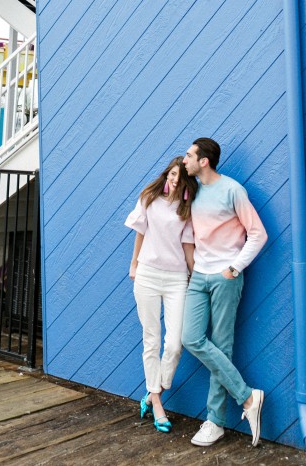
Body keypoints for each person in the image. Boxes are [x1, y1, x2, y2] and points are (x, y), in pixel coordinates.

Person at [181, 137, 268, 448]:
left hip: (225, 277)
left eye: (190, 155)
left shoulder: (232, 190)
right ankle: (247, 397)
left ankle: (215, 422)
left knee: (222, 345)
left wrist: (235, 267)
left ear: (205, 161)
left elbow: (258, 233)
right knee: (190, 338)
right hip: (199, 277)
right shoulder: (192, 192)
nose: (184, 159)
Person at [125, 157, 198, 433]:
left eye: (179, 178)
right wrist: (134, 264)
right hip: (148, 274)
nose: (174, 181)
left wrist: (195, 276)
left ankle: (153, 392)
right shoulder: (149, 198)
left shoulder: (186, 209)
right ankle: (157, 402)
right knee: (151, 339)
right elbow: (140, 233)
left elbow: (188, 245)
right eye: (172, 175)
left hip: (177, 277)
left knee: (175, 343)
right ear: (167, 173)